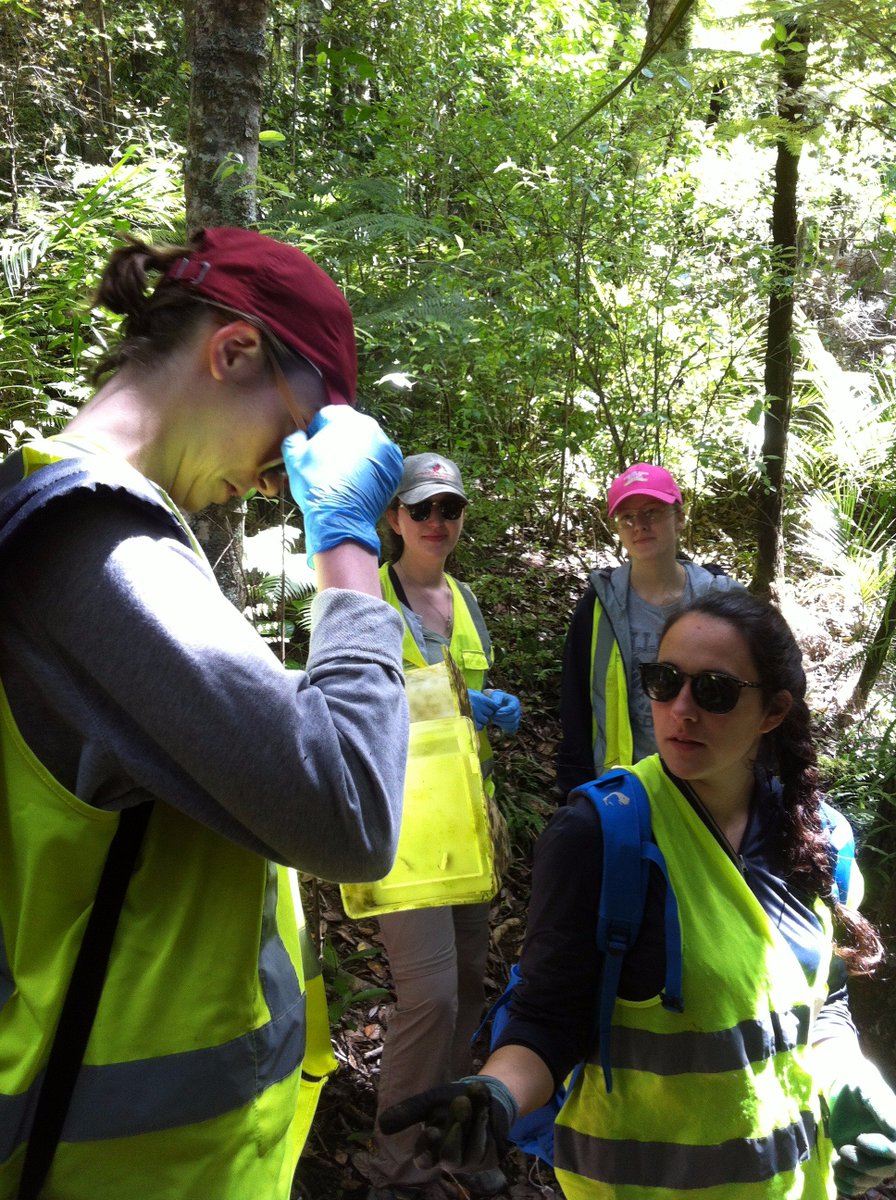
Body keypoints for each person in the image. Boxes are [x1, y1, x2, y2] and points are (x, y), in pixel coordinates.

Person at [0, 226, 409, 1200]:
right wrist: (347, 548)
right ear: (231, 352)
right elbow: (349, 808)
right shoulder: (93, 550)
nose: (280, 481)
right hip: (114, 1171)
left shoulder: (96, 532)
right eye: (296, 433)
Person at [380, 591, 896, 1199]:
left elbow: (821, 1005)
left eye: (716, 691)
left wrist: (850, 1079)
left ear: (773, 711)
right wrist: (496, 1094)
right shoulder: (601, 833)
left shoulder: (816, 837)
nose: (680, 708)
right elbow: (549, 1018)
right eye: (664, 680)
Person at [364, 453, 521, 1200]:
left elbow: (474, 708)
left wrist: (496, 715)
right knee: (427, 997)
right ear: (394, 518)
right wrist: (451, 708)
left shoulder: (464, 598)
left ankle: (451, 1141)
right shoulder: (365, 600)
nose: (436, 522)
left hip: (469, 828)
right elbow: (348, 709)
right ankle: (397, 1168)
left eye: (448, 510)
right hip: (403, 834)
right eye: (420, 509)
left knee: (462, 986)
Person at [557, 462, 741, 797]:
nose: (639, 525)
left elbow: (769, 685)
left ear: (679, 517)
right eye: (627, 518)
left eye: (652, 512)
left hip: (712, 787)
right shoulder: (598, 606)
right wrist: (576, 790)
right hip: (626, 788)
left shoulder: (723, 599)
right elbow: (576, 704)